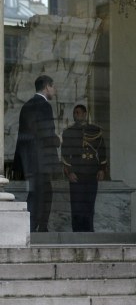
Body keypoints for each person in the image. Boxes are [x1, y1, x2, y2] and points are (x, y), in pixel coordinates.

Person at [14, 75, 62, 232]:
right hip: (41, 161)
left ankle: (39, 227)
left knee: (41, 193)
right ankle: (33, 228)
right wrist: (57, 140)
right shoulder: (44, 106)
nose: (54, 91)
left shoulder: (27, 105)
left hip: (29, 161)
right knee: (40, 196)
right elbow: (46, 133)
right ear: (48, 86)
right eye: (53, 87)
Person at [62, 105, 107, 232]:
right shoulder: (68, 132)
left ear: (85, 114)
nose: (75, 115)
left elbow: (102, 151)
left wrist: (102, 169)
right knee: (77, 208)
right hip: (77, 175)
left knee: (89, 207)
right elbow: (65, 154)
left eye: (78, 112)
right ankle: (77, 235)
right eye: (74, 113)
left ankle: (89, 234)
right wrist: (69, 171)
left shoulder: (95, 131)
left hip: (91, 174)